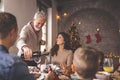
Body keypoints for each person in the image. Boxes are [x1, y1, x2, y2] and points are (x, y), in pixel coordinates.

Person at [0, 12, 35, 80]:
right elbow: (20, 40)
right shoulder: (14, 64)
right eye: (17, 32)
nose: (17, 35)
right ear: (12, 33)